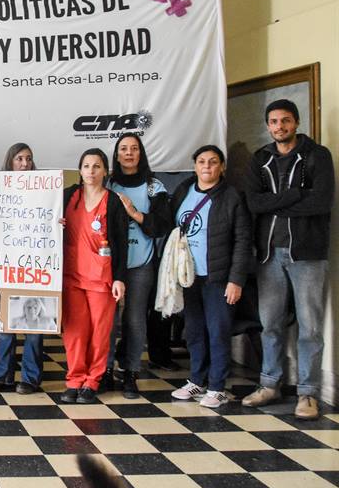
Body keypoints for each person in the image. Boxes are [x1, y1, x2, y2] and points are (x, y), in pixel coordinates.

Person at [242, 99, 333, 419]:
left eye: (285, 121)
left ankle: (307, 394)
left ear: (296, 122)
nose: (279, 126)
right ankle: (270, 384)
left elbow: (320, 202)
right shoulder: (261, 159)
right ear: (268, 125)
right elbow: (253, 202)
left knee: (309, 327)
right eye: (274, 121)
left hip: (307, 254)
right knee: (270, 324)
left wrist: (274, 203)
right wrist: (295, 194)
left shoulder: (317, 156)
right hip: (268, 255)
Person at [169, 145, 251, 408]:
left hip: (218, 277)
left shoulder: (231, 196)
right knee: (194, 331)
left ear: (221, 167)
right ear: (195, 166)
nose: (207, 166)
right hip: (189, 277)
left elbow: (242, 239)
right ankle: (197, 380)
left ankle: (217, 386)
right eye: (202, 161)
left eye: (213, 162)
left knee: (218, 331)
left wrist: (236, 279)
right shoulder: (184, 190)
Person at [105, 133, 172, 398]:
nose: (129, 153)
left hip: (140, 263)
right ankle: (106, 369)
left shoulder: (154, 186)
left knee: (134, 320)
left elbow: (161, 225)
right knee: (107, 321)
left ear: (141, 153)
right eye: (123, 149)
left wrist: (135, 214)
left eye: (134, 148)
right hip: (109, 264)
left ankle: (131, 372)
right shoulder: (107, 184)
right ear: (117, 154)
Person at [59, 148, 127, 405]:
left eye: (96, 166)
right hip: (71, 276)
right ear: (80, 170)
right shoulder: (67, 197)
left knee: (100, 332)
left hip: (102, 278)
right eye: (86, 166)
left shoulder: (113, 201)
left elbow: (122, 244)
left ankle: (92, 380)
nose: (91, 171)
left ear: (105, 171)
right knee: (75, 332)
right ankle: (74, 379)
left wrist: (120, 278)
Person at [0, 143, 46, 394]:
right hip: (5, 263)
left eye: (28, 159)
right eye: (19, 158)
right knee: (5, 326)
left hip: (36, 265)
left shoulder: (45, 190)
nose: (24, 164)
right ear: (10, 161)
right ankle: (3, 374)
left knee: (35, 324)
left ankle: (30, 377)